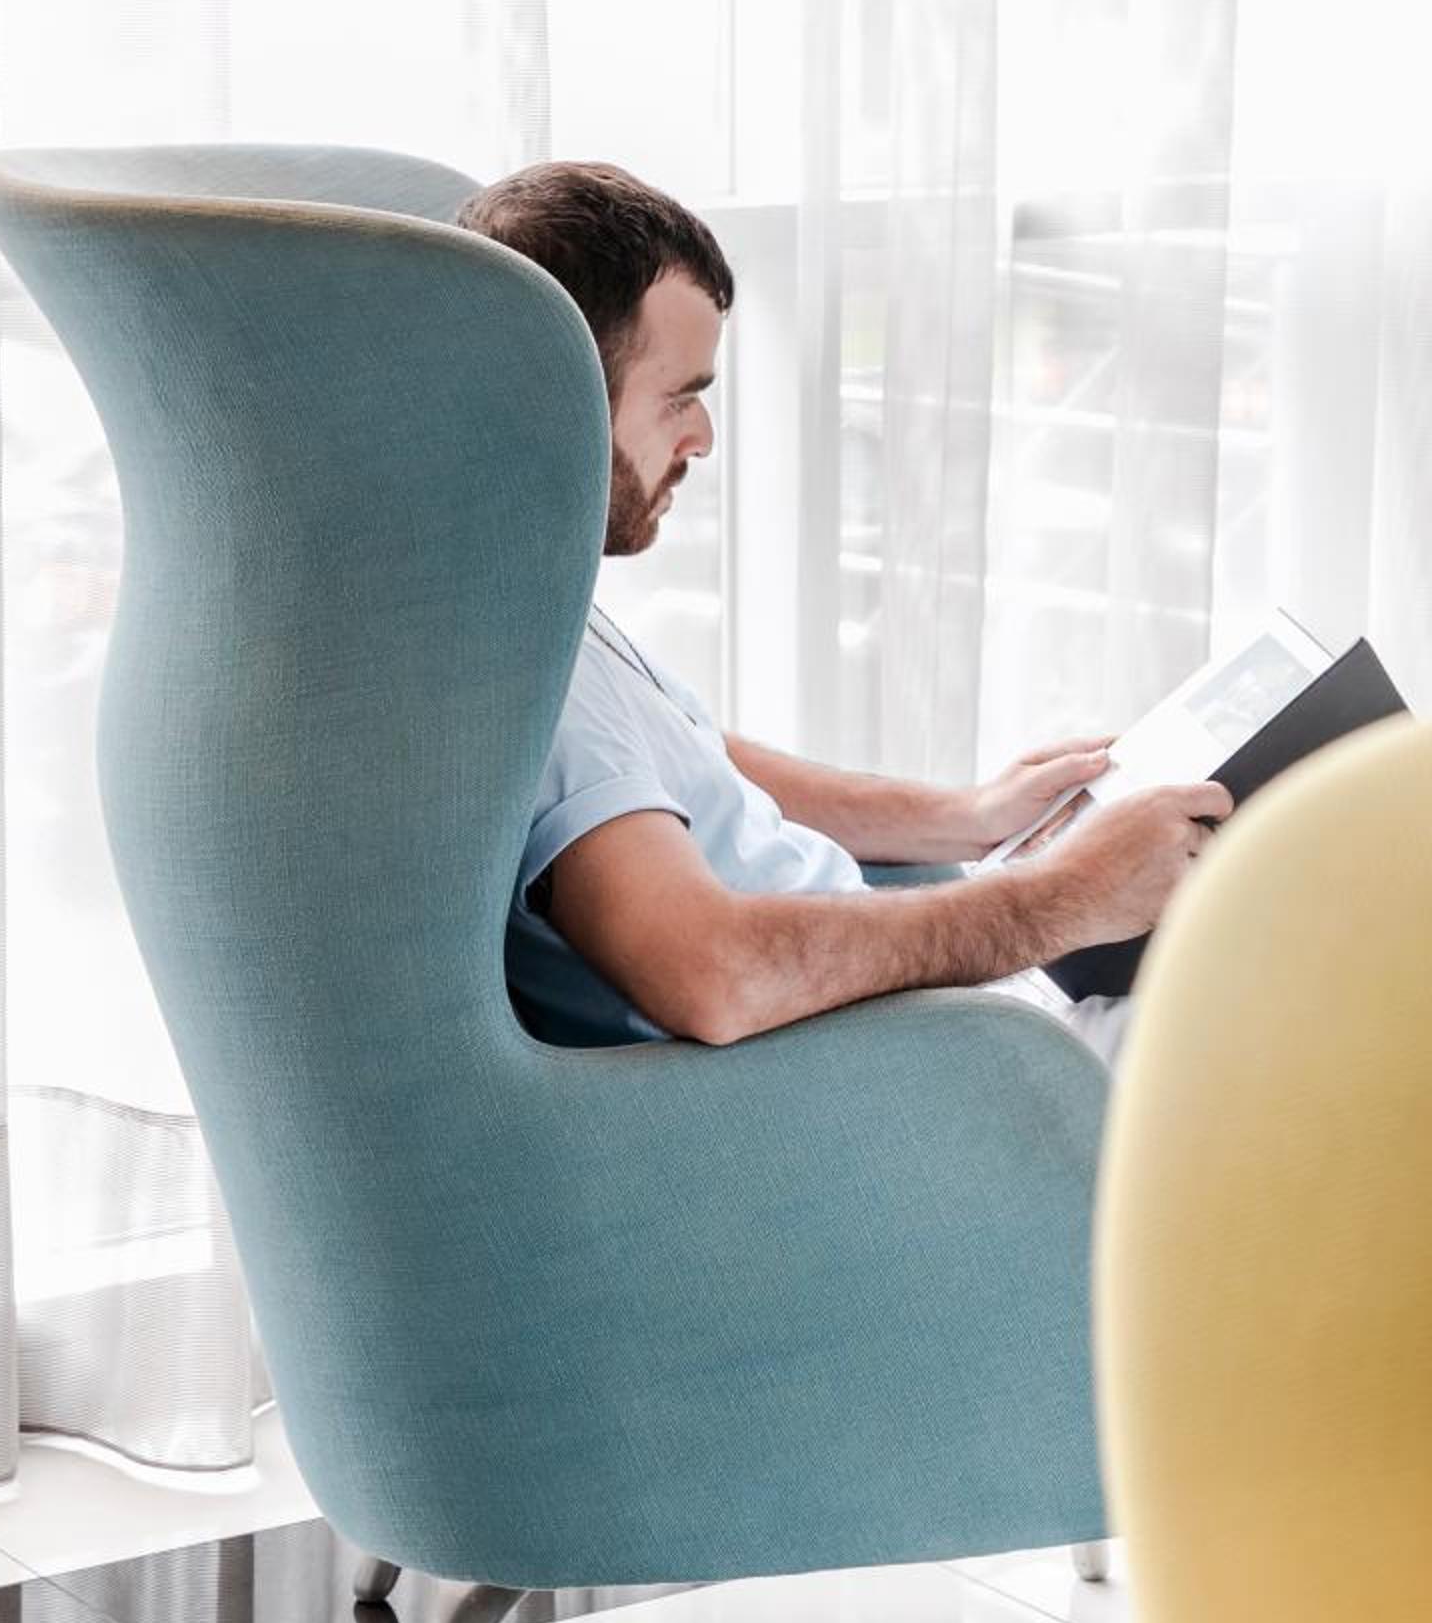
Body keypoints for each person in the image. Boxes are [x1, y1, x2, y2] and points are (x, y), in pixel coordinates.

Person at [456, 161, 1231, 1059]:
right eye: (679, 399)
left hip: (924, 1015)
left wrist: (969, 815)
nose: (703, 438)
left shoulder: (530, 597)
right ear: (560, 405)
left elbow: (686, 760)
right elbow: (712, 973)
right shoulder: (531, 675)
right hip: (916, 1073)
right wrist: (1069, 896)